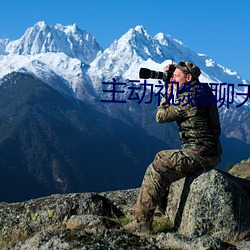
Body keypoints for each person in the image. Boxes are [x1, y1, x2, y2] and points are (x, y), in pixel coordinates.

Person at [124, 61, 222, 233]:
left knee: (157, 168)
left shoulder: (189, 97)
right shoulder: (202, 90)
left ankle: (141, 224)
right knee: (161, 156)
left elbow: (160, 117)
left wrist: (167, 93)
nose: (173, 78)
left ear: (189, 77)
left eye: (177, 76)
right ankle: (161, 209)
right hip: (209, 150)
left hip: (200, 153)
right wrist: (173, 76)